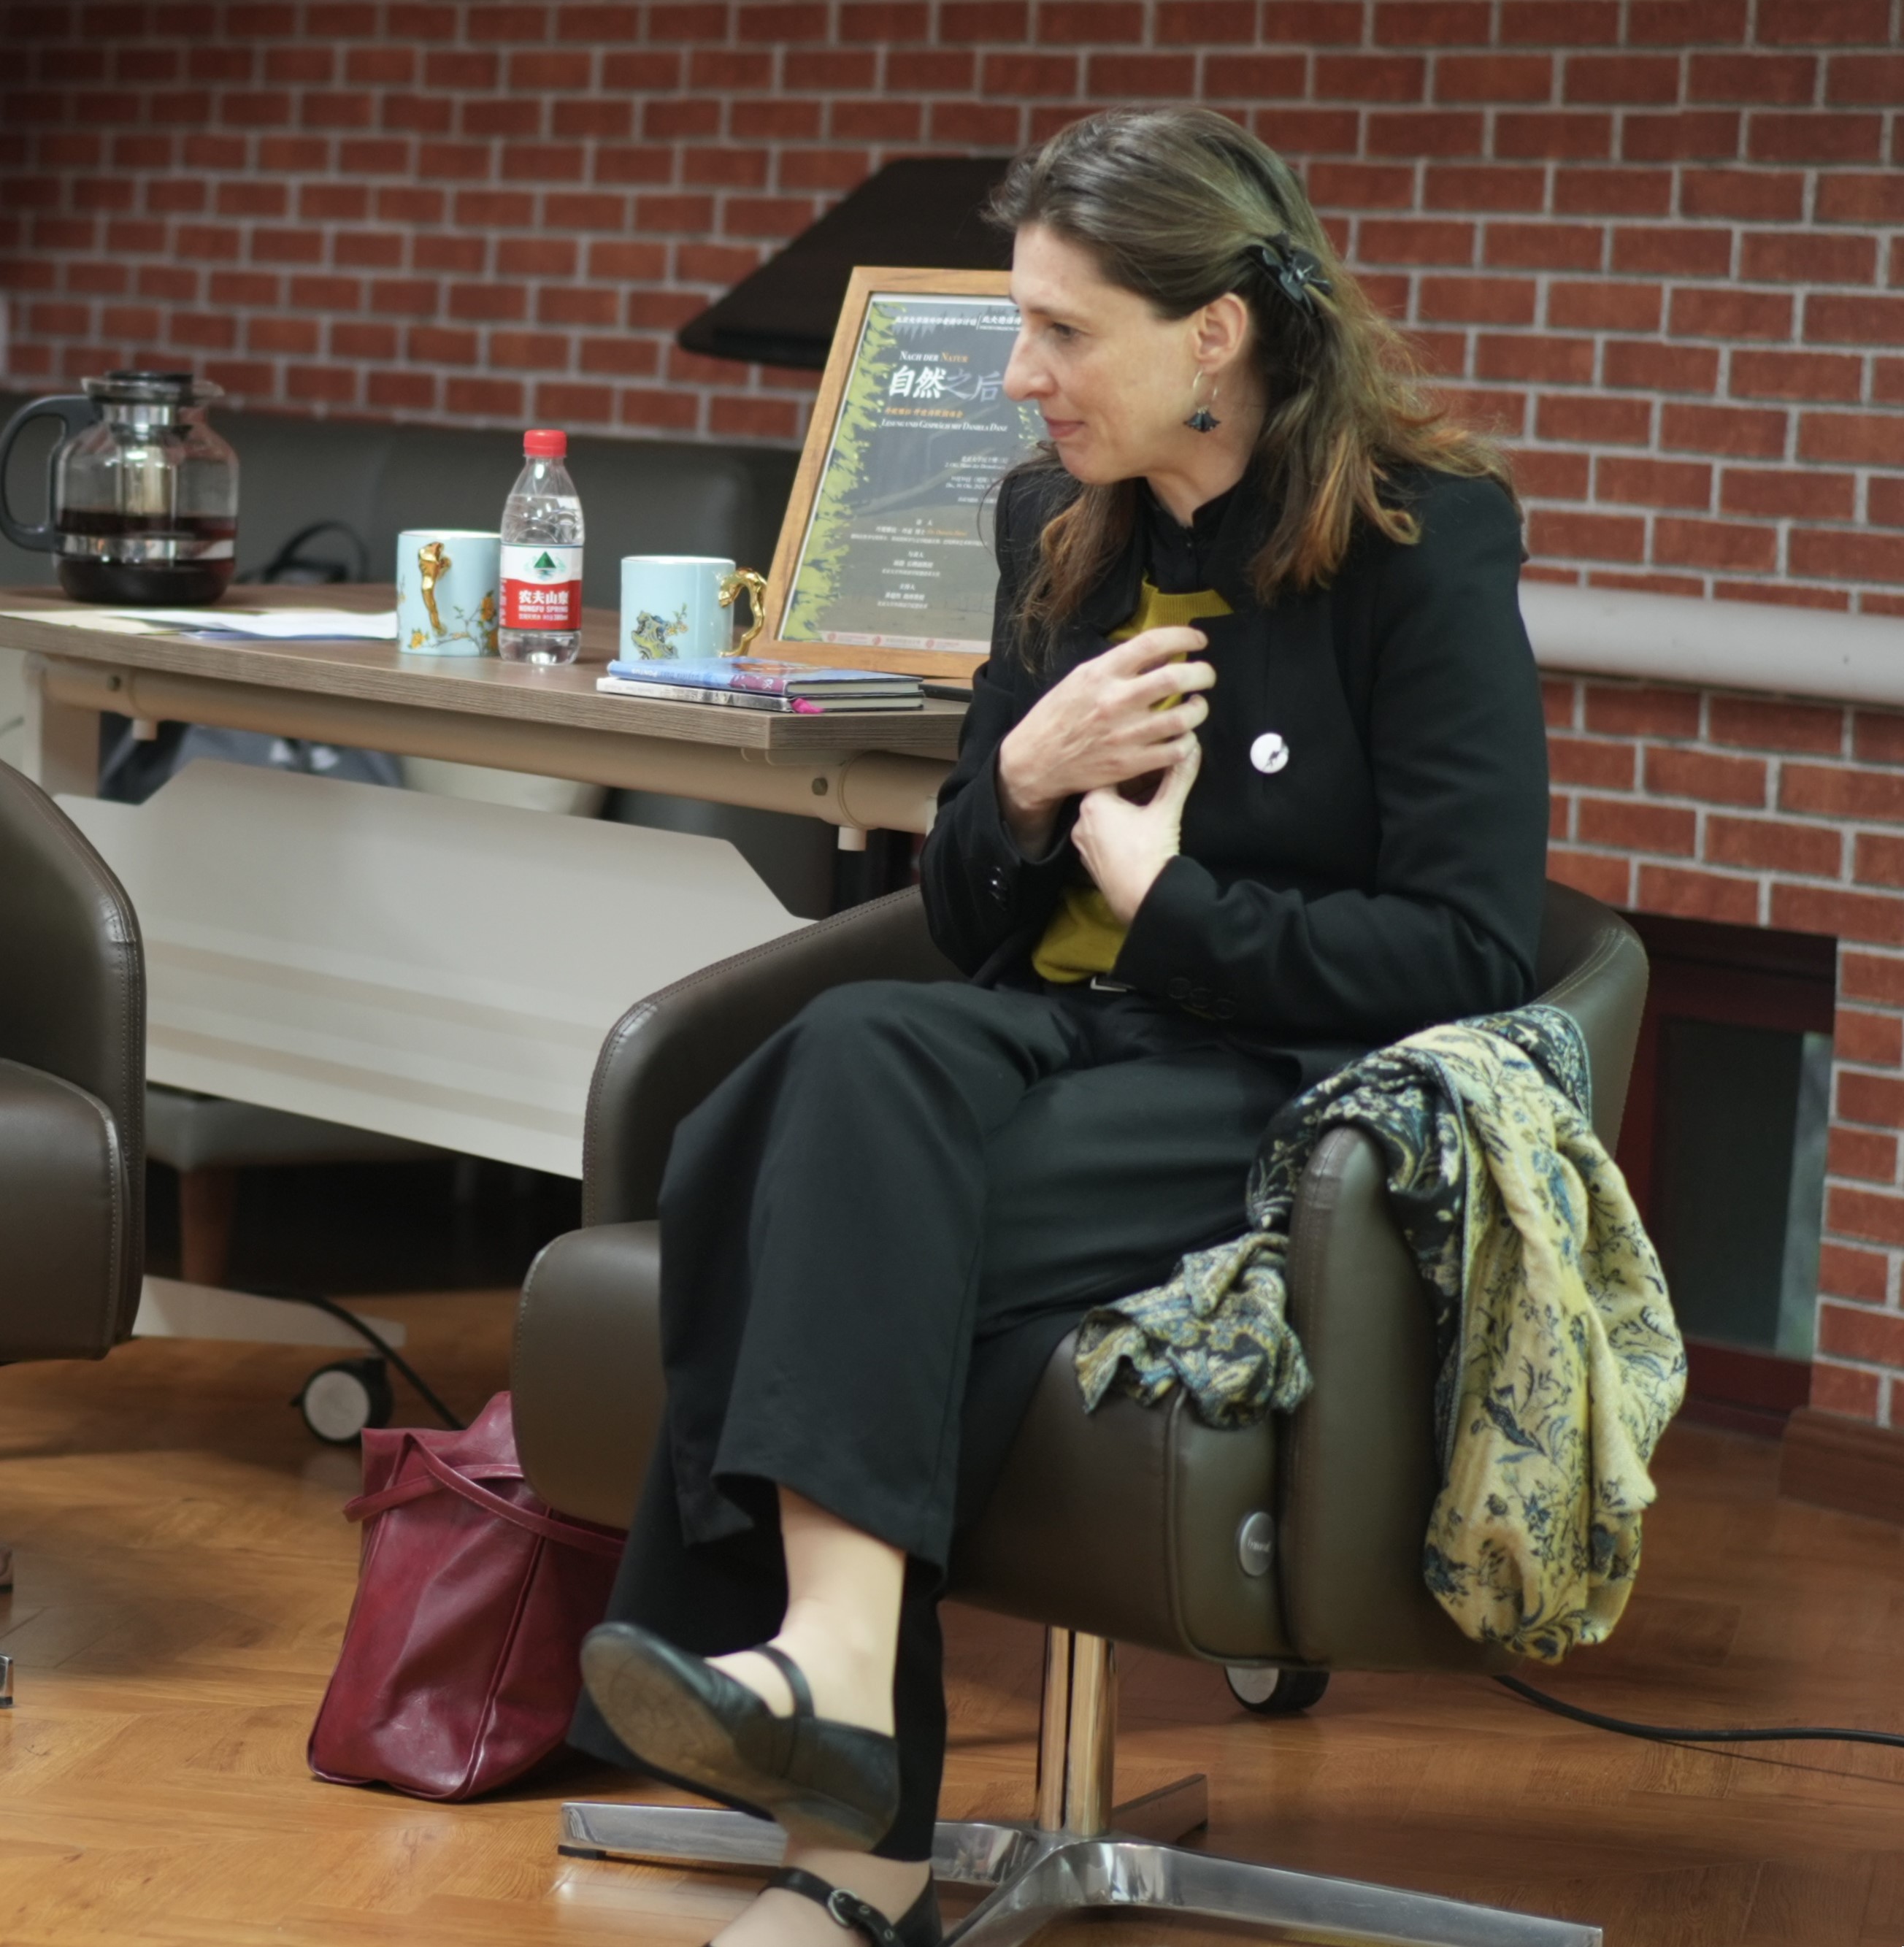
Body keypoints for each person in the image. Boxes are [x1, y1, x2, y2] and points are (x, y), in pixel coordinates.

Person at [572, 105, 1549, 1946]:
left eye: (1059, 331)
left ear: (1214, 335)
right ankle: (834, 1686)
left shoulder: (1419, 542)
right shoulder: (1051, 522)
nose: (1017, 376)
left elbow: (1473, 947)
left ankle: (848, 1845)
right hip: (1053, 1039)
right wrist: (1020, 779)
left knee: (788, 1181)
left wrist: (1175, 907)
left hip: (1268, 1087)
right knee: (831, 1065)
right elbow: (960, 914)